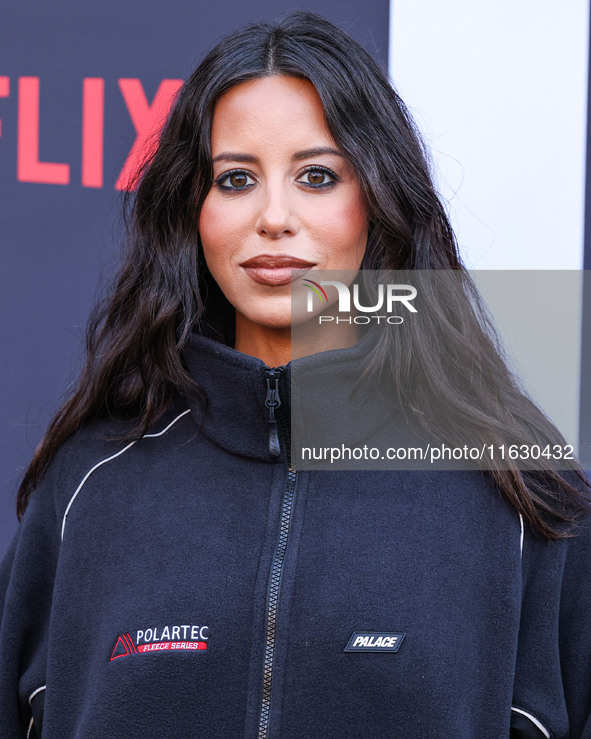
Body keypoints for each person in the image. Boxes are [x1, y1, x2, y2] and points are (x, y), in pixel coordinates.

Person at [1, 10, 590, 738]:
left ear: (377, 199)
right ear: (193, 208)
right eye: (236, 177)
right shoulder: (87, 486)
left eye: (316, 176)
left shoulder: (520, 500)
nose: (273, 216)